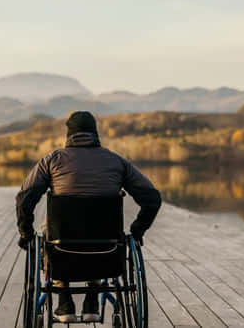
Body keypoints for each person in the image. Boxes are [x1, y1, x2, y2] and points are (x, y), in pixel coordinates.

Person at [15, 111, 162, 322]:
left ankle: (64, 303)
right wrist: (138, 230)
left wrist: (25, 233)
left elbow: (24, 198)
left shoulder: (52, 161)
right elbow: (152, 198)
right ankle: (92, 301)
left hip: (61, 251)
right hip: (108, 253)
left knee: (47, 232)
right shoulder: (117, 162)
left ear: (69, 134)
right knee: (97, 232)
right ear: (95, 133)